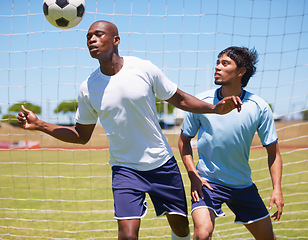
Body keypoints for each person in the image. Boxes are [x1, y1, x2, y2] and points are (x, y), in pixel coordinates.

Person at [17, 20, 242, 240]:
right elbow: (81, 135)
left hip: (161, 164)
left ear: (116, 40)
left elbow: (180, 99)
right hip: (125, 169)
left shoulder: (143, 68)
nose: (92, 40)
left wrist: (214, 109)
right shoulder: (88, 87)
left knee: (181, 227)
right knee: (126, 234)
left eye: (98, 34)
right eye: (88, 37)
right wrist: (41, 125)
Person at [178, 46, 284, 240]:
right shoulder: (201, 101)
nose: (217, 67)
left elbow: (273, 153)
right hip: (208, 183)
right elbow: (184, 142)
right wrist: (193, 176)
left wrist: (277, 189)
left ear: (241, 71)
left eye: (225, 63)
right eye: (218, 62)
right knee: (202, 234)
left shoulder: (258, 106)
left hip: (242, 185)